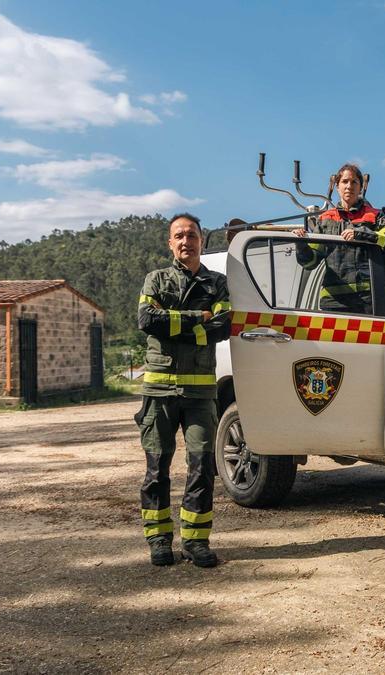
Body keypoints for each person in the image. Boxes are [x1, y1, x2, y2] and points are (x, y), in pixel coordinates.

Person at [135, 213, 232, 568]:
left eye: (191, 235)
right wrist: (197, 318)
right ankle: (159, 540)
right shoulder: (156, 280)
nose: (185, 241)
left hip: (200, 394)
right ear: (170, 243)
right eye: (179, 235)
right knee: (156, 470)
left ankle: (195, 541)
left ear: (201, 241)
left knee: (202, 467)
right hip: (159, 391)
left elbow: (223, 326)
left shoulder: (217, 283)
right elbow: (148, 321)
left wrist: (173, 322)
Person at [293, 163, 385, 313]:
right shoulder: (325, 219)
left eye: (354, 182)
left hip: (370, 299)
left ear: (361, 187)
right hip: (334, 302)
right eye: (345, 181)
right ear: (337, 186)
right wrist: (301, 244)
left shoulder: (375, 216)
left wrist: (362, 234)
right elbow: (310, 263)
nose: (349, 186)